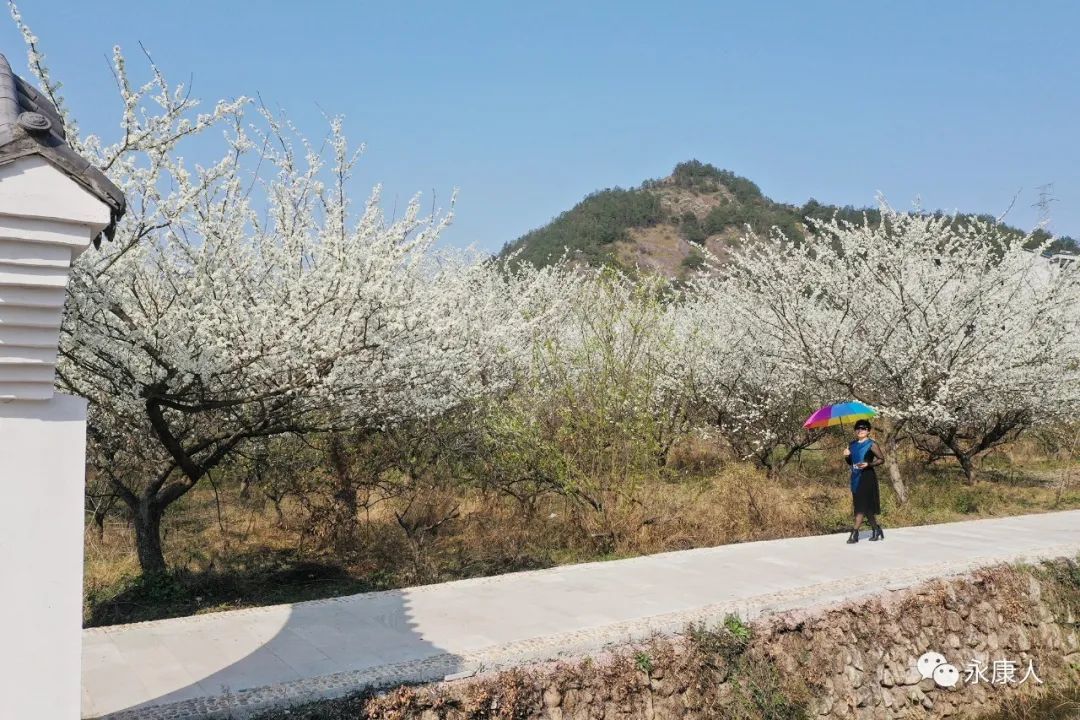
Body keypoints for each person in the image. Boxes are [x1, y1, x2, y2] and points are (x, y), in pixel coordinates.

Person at [843, 419, 884, 543]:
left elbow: (881, 459)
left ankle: (854, 534)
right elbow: (851, 463)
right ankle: (876, 529)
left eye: (864, 428)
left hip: (867, 477)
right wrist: (847, 456)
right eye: (858, 428)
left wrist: (869, 464)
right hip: (855, 477)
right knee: (866, 507)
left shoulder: (872, 444)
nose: (860, 430)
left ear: (868, 431)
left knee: (861, 506)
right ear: (855, 430)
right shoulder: (852, 444)